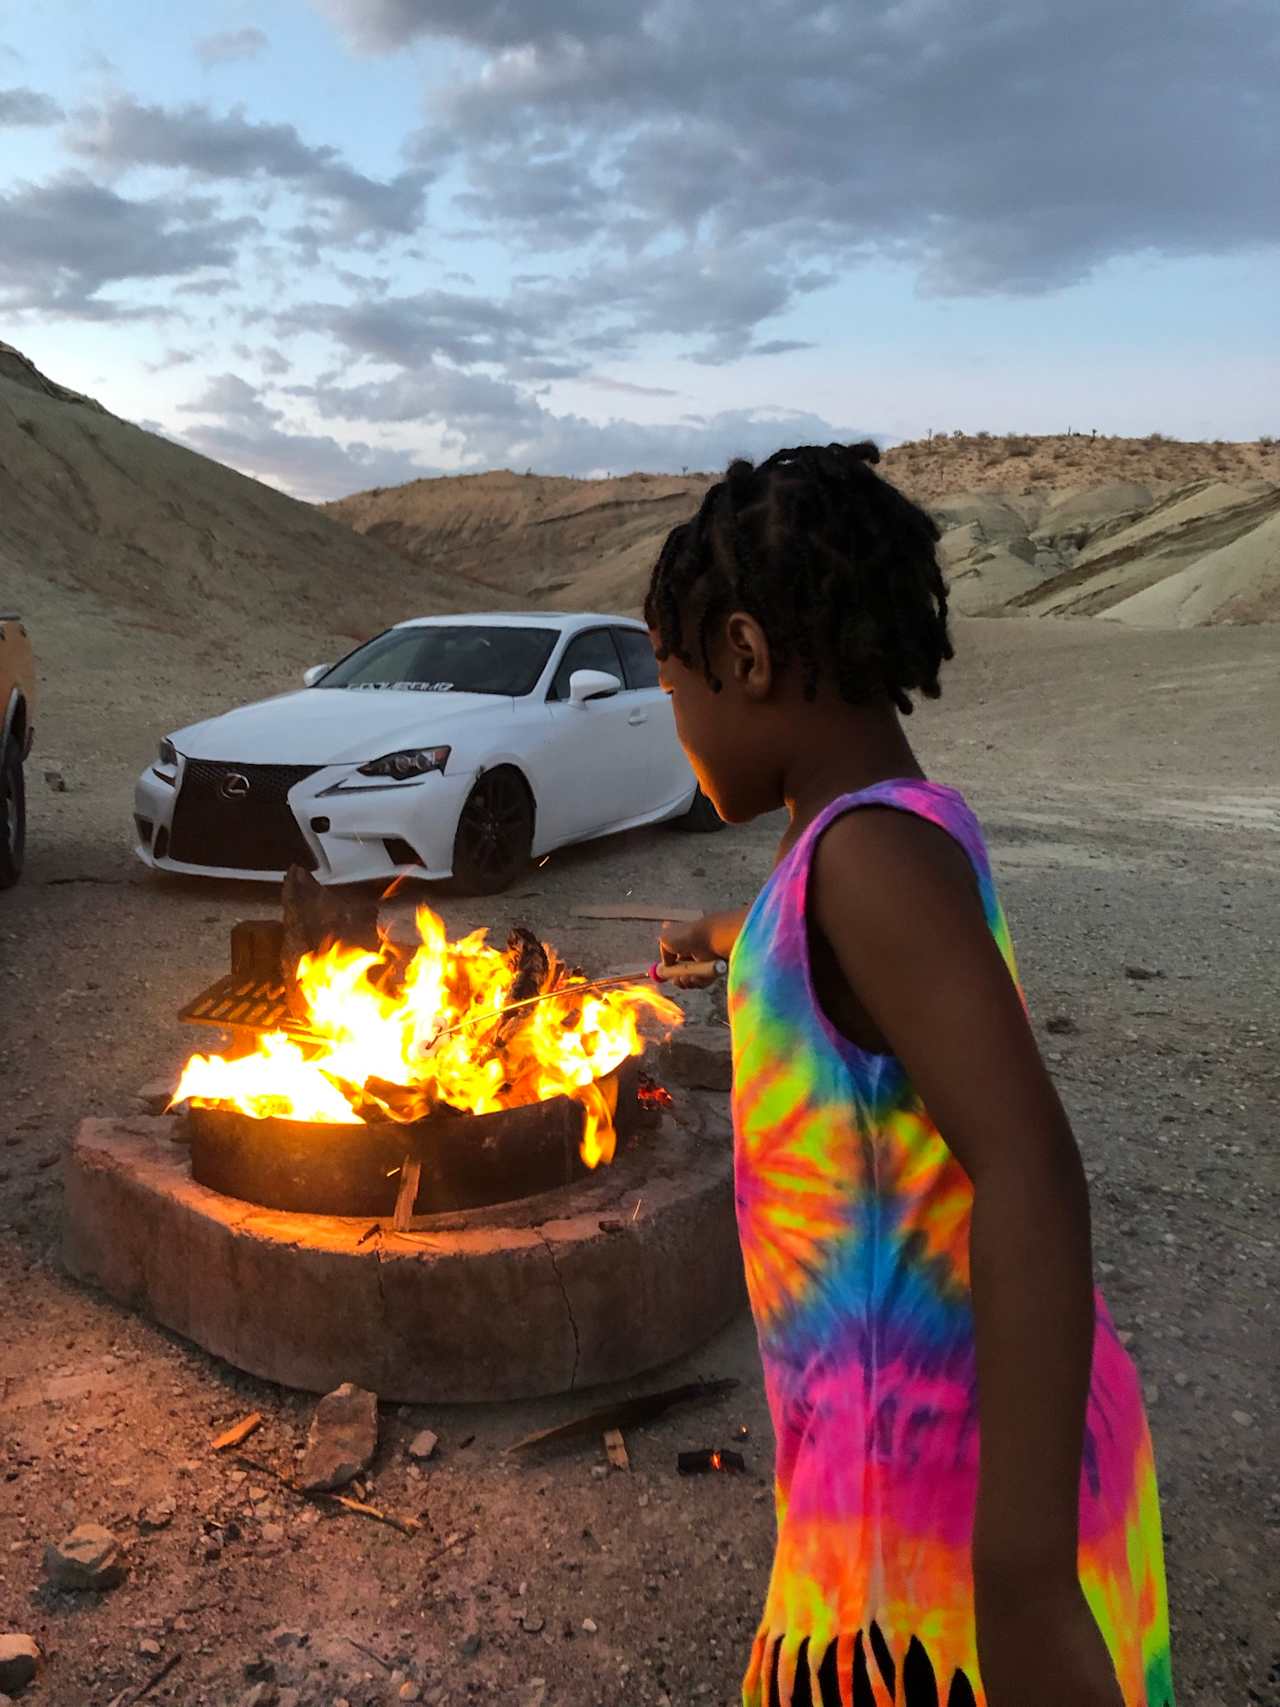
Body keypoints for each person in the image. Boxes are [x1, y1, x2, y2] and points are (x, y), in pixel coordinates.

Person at [647, 443, 1173, 1707]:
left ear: (744, 657)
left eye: (674, 693)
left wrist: (1023, 1578)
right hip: (918, 1474)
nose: (679, 736)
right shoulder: (873, 839)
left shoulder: (868, 866)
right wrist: (713, 936)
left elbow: (1031, 1166)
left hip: (941, 1531)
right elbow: (812, 934)